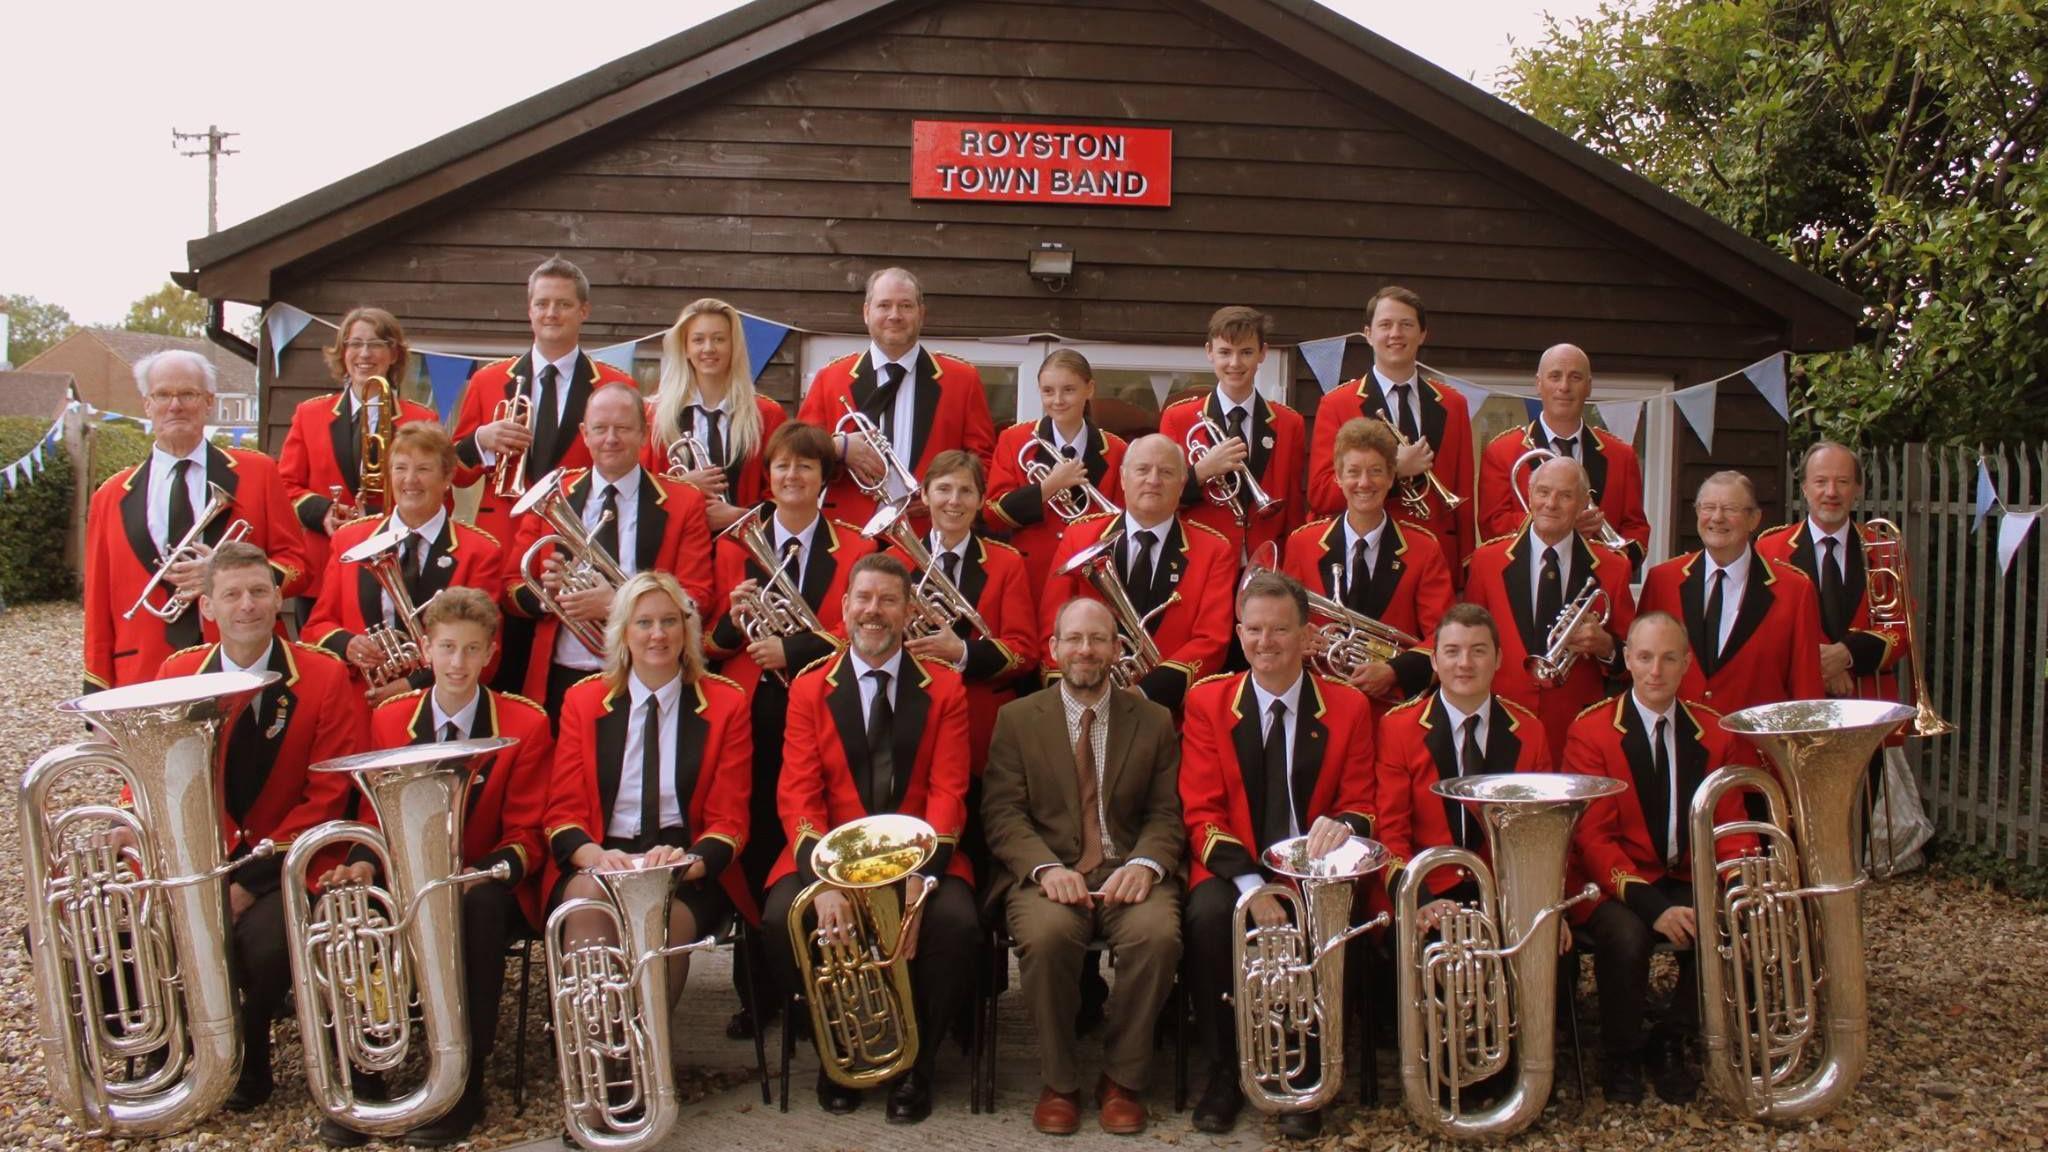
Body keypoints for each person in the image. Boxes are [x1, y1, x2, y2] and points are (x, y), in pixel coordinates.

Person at [314, 587, 553, 1147]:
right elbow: (371, 811)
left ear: (491, 653)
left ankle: (464, 1081)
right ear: (425, 649)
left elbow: (527, 833)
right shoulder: (390, 719)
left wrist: (477, 874)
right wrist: (362, 865)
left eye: (471, 650)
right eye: (446, 648)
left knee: (480, 910)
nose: (457, 663)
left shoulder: (524, 723)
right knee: (350, 910)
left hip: (481, 880)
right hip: (404, 875)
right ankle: (364, 1073)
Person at [761, 554, 977, 1123]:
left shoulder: (946, 688)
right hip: (827, 855)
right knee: (784, 918)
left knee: (955, 924)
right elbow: (798, 795)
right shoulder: (809, 689)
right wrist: (822, 881)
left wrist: (925, 877)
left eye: (887, 601)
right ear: (845, 608)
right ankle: (837, 1058)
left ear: (909, 612)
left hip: (919, 855)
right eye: (864, 599)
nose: (873, 612)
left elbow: (948, 790)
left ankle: (916, 1064)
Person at [154, 541, 364, 1112]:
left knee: (267, 942)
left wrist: (249, 879)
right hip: (205, 858)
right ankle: (176, 1051)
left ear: (278, 599)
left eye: (258, 591)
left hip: (289, 862)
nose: (246, 605)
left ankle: (247, 1048)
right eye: (231, 594)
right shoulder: (175, 673)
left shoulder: (322, 675)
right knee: (148, 929)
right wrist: (214, 869)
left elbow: (330, 792)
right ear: (208, 608)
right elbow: (155, 776)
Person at [1179, 572, 1378, 1139]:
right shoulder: (1208, 701)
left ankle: (1308, 1073)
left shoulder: (1348, 706)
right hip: (1233, 866)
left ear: (1308, 636)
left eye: (1280, 630)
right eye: (1254, 630)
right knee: (1210, 917)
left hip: (1315, 869)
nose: (1266, 643)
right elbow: (1201, 811)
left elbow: (1362, 802)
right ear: (1239, 633)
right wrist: (1252, 887)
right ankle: (1226, 1069)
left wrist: (1342, 826)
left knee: (1324, 921)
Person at [541, 572, 755, 1088]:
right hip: (603, 857)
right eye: (644, 623)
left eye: (669, 622)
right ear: (623, 633)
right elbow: (562, 811)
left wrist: (685, 862)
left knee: (664, 922)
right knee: (588, 902)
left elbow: (730, 820)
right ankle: (599, 1070)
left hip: (684, 866)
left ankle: (640, 1062)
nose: (657, 635)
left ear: (687, 631)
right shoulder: (583, 701)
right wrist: (594, 856)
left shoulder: (725, 703)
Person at [981, 598, 1184, 1137]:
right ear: (1053, 649)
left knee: (1158, 936)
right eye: (1074, 639)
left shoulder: (1155, 720)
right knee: (1047, 939)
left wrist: (1145, 863)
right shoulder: (1017, 719)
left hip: (1127, 869)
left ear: (1118, 649)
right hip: (1049, 874)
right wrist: (1046, 869)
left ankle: (1122, 1079)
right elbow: (1002, 812)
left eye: (1098, 639)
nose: (1086, 650)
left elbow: (1168, 812)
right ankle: (1060, 1082)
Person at [704, 420, 876, 1038]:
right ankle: (760, 992)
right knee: (751, 854)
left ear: (825, 479)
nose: (791, 476)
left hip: (824, 715)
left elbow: (864, 632)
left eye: (805, 467)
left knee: (811, 843)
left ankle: (818, 987)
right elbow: (703, 643)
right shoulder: (732, 547)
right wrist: (735, 622)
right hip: (752, 717)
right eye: (781, 467)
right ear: (768, 477)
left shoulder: (854, 547)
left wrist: (792, 649)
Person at [1564, 612, 1756, 1105]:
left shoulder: (1714, 731)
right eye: (1645, 657)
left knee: (1729, 920)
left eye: (1669, 658)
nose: (1656, 670)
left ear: (1687, 663)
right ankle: (1622, 1052)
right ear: (1626, 659)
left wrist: (1741, 887)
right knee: (1626, 936)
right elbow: (1593, 840)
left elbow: (1729, 824)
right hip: (1611, 883)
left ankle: (1673, 1040)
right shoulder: (1592, 732)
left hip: (1684, 873)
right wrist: (1656, 909)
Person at [450, 256, 637, 693]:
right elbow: (456, 474)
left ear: (583, 312)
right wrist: (481, 439)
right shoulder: (488, 381)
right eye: (542, 304)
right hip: (502, 543)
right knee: (497, 668)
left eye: (563, 305)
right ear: (529, 309)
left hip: (574, 546)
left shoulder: (613, 382)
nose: (551, 313)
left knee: (563, 672)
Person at [85, 350, 309, 692]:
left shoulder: (259, 473)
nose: (175, 405)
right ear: (147, 404)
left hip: (245, 664)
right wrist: (98, 695)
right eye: (163, 394)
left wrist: (223, 575)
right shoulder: (110, 495)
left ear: (208, 402)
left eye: (187, 394)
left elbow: (299, 567)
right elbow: (97, 607)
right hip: (143, 670)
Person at [506, 380, 715, 719]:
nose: (611, 439)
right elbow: (510, 585)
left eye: (623, 428)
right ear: (584, 433)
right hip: (565, 670)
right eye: (600, 428)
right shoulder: (552, 496)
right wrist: (547, 594)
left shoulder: (683, 501)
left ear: (644, 433)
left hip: (648, 671)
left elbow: (698, 595)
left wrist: (619, 605)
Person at [879, 450, 1039, 828]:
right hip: (905, 714)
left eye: (966, 491)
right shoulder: (894, 561)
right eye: (944, 489)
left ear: (981, 500)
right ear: (925, 496)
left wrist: (963, 651)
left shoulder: (1006, 562)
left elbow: (1024, 651)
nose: (954, 501)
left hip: (979, 720)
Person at [305, 422, 504, 702]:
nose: (410, 480)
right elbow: (317, 626)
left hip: (436, 702)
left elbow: (484, 648)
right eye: (400, 468)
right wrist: (348, 644)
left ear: (447, 478)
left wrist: (412, 685)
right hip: (358, 702)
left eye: (423, 469)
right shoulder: (349, 540)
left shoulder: (479, 551)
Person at [1039, 434, 1238, 713]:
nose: (1153, 480)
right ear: (1123, 478)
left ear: (1182, 484)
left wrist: (1144, 693)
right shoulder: (1080, 537)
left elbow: (1211, 641)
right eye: (1142, 469)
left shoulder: (1214, 549)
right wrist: (1074, 699)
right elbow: (1052, 626)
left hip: (1166, 713)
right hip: (1080, 704)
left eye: (1166, 472)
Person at [1373, 604, 1553, 909]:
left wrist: (1545, 906)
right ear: (1434, 659)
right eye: (1452, 651)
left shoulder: (1529, 732)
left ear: (1498, 659)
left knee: (1561, 956)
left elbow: (1541, 835)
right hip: (1426, 889)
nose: (1465, 663)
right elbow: (1392, 833)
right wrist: (1419, 902)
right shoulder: (1398, 729)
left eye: (1479, 651)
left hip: (1507, 897)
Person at [1462, 456, 1636, 761]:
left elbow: (1632, 660)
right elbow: (1471, 644)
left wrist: (1604, 645)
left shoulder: (1613, 567)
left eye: (1565, 495)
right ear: (1529, 496)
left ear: (1584, 504)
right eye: (1543, 492)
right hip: (1502, 722)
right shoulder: (1486, 560)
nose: (1551, 504)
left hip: (1576, 728)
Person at [799, 267, 997, 532]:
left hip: (929, 531)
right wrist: (837, 447)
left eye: (905, 305)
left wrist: (946, 497)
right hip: (849, 533)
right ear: (867, 312)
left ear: (921, 314)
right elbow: (797, 452)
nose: (895, 315)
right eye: (884, 305)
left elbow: (983, 461)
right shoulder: (830, 378)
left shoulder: (962, 379)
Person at [1281, 417, 1451, 717]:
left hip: (1390, 711)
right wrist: (1297, 642)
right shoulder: (1302, 543)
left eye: (1375, 472)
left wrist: (1394, 671)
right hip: (1317, 706)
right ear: (1338, 477)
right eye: (1353, 472)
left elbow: (1443, 637)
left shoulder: (1424, 549)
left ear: (1391, 477)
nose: (1364, 483)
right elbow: (1286, 623)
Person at [1306, 286, 1475, 581]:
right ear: (1369, 334)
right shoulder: (1337, 404)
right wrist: (1395, 470)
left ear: (1422, 334)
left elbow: (1463, 496)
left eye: (1406, 325)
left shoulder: (1454, 404)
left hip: (1435, 559)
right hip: (1365, 556)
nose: (1395, 333)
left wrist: (1464, 574)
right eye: (1385, 325)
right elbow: (1321, 493)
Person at [278, 306, 441, 604]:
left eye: (376, 344)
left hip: (397, 565)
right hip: (324, 566)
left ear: (393, 355)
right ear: (343, 352)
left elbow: (441, 495)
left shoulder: (422, 419)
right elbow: (285, 487)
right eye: (355, 344)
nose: (364, 354)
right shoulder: (309, 414)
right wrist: (324, 511)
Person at [1638, 472, 1825, 714]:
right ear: (1697, 513)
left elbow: (1806, 691)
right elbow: (1640, 670)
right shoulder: (1662, 580)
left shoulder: (1795, 591)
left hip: (1754, 747)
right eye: (1708, 507)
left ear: (1754, 519)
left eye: (1730, 509)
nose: (1717, 517)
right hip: (1676, 745)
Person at [1756, 442, 1909, 705]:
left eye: (1842, 481)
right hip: (1794, 702)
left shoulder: (1884, 549)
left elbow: (1900, 630)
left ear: (1858, 489)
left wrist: (1847, 654)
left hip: (1867, 703)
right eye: (1820, 482)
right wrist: (1820, 666)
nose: (1831, 492)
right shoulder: (1769, 550)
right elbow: (1761, 629)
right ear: (1804, 488)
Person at [1475, 344, 1651, 571]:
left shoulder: (1621, 455)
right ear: (1539, 383)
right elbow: (1492, 526)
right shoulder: (1502, 451)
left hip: (1596, 580)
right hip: (1526, 578)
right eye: (1555, 376)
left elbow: (1636, 529)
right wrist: (1560, 524)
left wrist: (1616, 561)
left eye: (1575, 377)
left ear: (1588, 386)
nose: (1564, 387)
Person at [1156, 306, 1305, 562]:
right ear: (1209, 353)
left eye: (1246, 352)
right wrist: (1201, 471)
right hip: (1200, 558)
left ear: (1263, 354)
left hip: (1266, 561)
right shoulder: (1177, 418)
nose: (1235, 363)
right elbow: (1159, 497)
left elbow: (1292, 507)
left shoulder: (1289, 423)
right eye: (1225, 352)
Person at [983, 349, 1128, 598]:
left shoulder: (1115, 449)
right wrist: (1047, 488)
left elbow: (1122, 523)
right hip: (1031, 574)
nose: (1057, 400)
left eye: (1069, 390)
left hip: (1090, 578)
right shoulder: (1014, 440)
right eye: (1048, 391)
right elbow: (993, 514)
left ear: (1089, 389)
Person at [646, 297, 788, 533]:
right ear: (685, 348)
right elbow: (636, 488)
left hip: (741, 551)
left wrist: (742, 517)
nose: (708, 348)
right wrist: (680, 487)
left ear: (734, 347)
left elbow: (782, 491)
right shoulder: (654, 415)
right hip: (677, 550)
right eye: (698, 340)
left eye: (719, 339)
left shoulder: (767, 415)